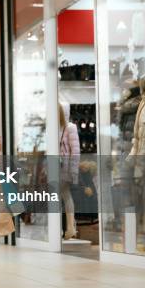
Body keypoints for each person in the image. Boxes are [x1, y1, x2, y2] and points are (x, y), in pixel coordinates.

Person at [59, 102, 80, 240]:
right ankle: (70, 227)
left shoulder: (70, 127)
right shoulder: (56, 127)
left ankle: (71, 227)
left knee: (65, 195)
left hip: (64, 168)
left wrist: (73, 171)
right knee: (62, 196)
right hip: (55, 167)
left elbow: (75, 150)